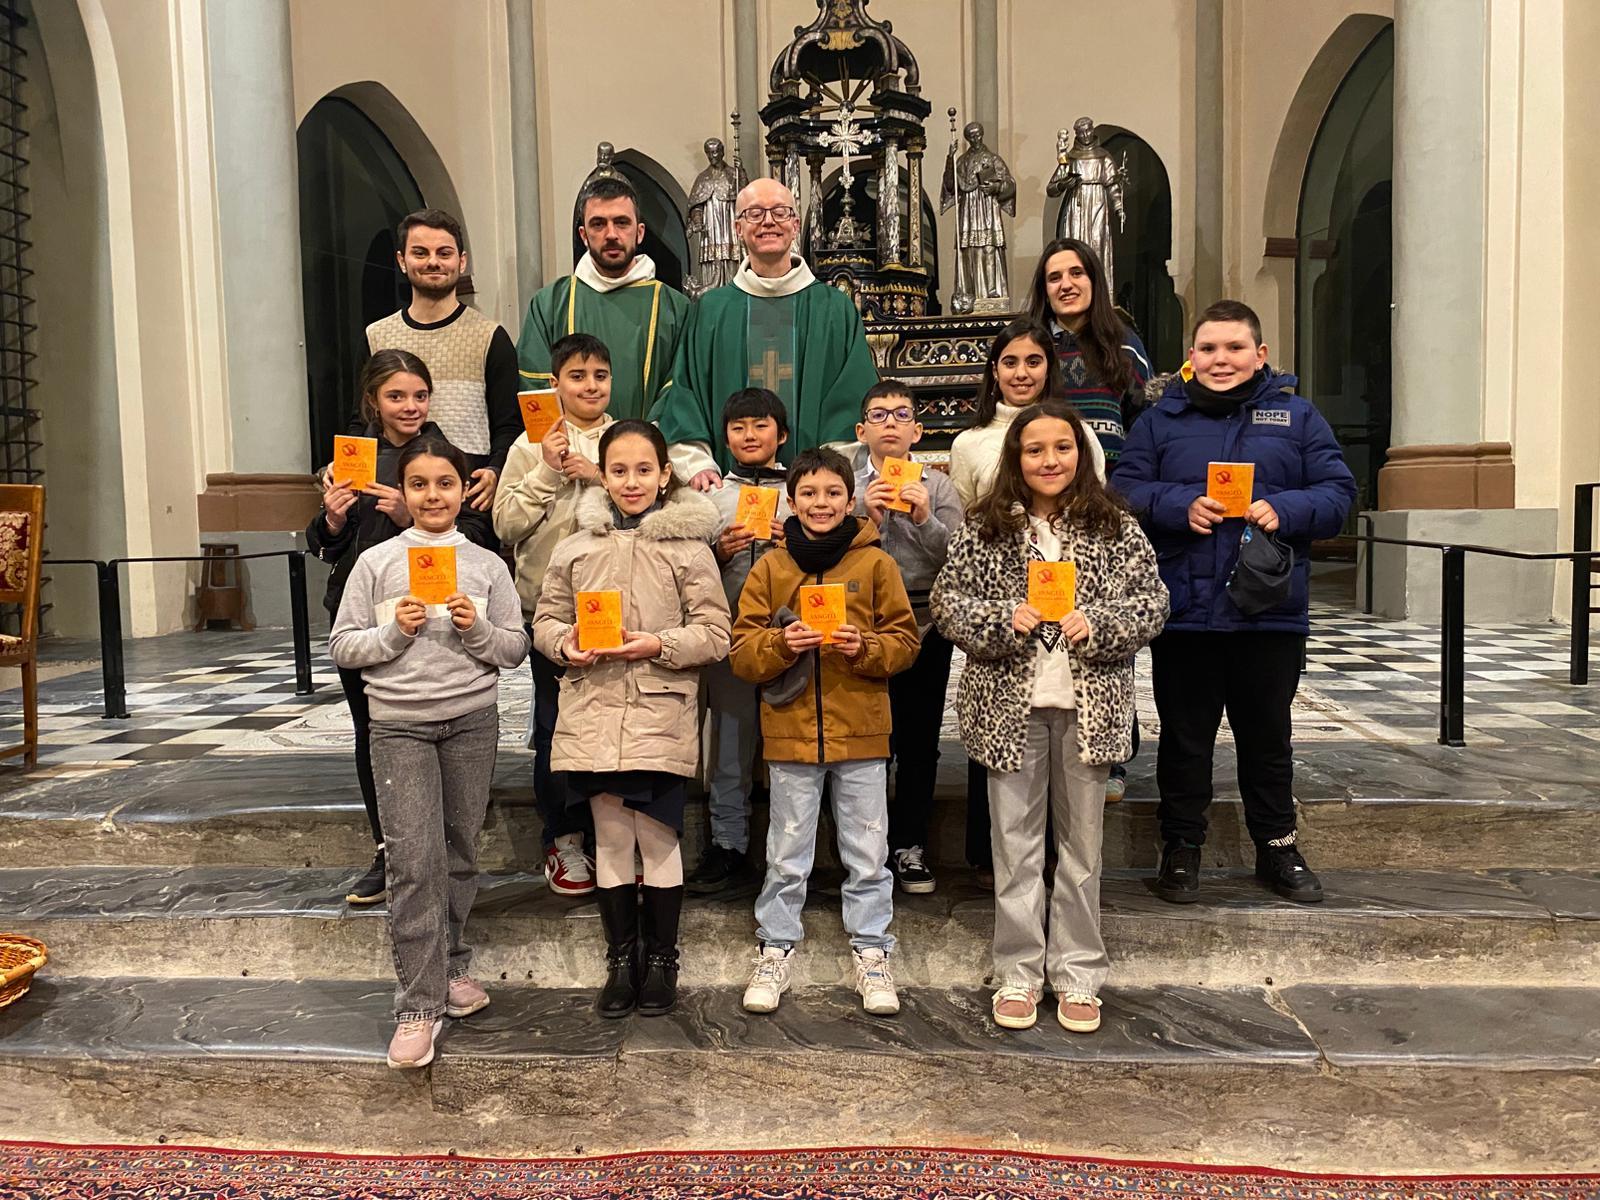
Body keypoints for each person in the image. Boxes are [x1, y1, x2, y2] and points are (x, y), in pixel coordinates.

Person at [932, 399, 1166, 1034]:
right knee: (1014, 848)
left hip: (1089, 709)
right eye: (1034, 449)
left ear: (1080, 454)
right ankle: (1017, 970)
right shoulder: (986, 526)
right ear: (1016, 457)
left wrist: (1104, 622)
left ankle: (1079, 972)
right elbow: (948, 603)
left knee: (1081, 851)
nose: (1049, 460)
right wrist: (998, 618)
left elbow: (1152, 600)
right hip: (1010, 709)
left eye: (1062, 447)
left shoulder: (1114, 525)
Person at [1116, 300, 1356, 907]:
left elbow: (1338, 494)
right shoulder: (1159, 421)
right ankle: (1181, 847)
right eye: (1208, 348)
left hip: (1267, 610)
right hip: (1186, 612)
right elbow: (1123, 489)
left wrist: (1287, 508)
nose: (1220, 359)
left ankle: (1278, 848)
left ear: (1260, 354)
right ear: (1191, 357)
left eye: (1234, 348)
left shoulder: (1297, 417)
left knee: (1267, 739)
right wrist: (1178, 504)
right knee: (1185, 740)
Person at [329, 436, 530, 1069]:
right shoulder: (377, 562)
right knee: (414, 862)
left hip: (471, 722)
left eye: (446, 483)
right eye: (419, 484)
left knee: (460, 850)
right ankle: (417, 1005)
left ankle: (450, 964)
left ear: (464, 489)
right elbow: (342, 646)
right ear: (402, 491)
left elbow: (515, 648)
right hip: (400, 727)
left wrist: (478, 630)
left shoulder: (487, 564)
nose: (433, 495)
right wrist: (393, 632)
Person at [531, 420, 730, 1019]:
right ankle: (621, 960)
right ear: (603, 475)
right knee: (612, 839)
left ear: (665, 475)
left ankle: (663, 960)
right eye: (618, 470)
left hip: (657, 712)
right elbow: (545, 622)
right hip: (593, 713)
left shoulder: (689, 549)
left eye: (644, 469)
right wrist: (566, 643)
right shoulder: (576, 547)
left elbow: (715, 633)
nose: (632, 481)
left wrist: (658, 644)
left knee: (659, 840)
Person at [730, 448, 920, 1017]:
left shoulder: (876, 564)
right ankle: (775, 947)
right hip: (790, 732)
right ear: (791, 501)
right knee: (787, 852)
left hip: (862, 730)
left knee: (868, 851)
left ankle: (872, 951)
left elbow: (906, 642)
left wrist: (866, 647)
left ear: (851, 499)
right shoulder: (771, 567)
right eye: (809, 493)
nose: (821, 503)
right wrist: (779, 644)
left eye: (833, 493)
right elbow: (742, 651)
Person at [307, 351, 486, 907]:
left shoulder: (448, 456)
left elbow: (480, 534)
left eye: (420, 395)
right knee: (372, 732)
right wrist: (334, 517)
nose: (410, 407)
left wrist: (412, 517)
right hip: (366, 612)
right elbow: (324, 546)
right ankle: (388, 848)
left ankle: (446, 852)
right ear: (373, 401)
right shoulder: (349, 461)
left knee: (445, 735)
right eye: (396, 396)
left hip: (437, 618)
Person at [947, 319, 1105, 880]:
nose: (1021, 372)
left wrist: (1097, 617)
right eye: (1010, 361)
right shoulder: (970, 443)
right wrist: (998, 612)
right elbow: (963, 531)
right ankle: (1001, 884)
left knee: (1077, 827)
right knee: (1006, 804)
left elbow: (1095, 522)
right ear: (994, 371)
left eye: (1033, 361)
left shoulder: (1081, 436)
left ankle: (1071, 921)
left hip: (1074, 656)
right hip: (1007, 647)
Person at [1026, 238, 1155, 802]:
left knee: (1105, 632)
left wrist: (1124, 498)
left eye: (1076, 273)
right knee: (1048, 630)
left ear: (1093, 280)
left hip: (1106, 509)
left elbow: (1144, 425)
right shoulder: (1036, 345)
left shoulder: (1122, 342)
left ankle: (1114, 754)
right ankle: (1043, 749)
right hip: (1045, 510)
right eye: (1054, 276)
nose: (1066, 284)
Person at [650, 177, 879, 490]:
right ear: (738, 228)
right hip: (726, 488)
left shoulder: (833, 309)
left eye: (780, 212)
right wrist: (698, 464)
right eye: (755, 213)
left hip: (817, 493)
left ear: (795, 225)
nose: (768, 221)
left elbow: (852, 398)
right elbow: (685, 396)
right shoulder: (711, 310)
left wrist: (828, 474)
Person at [493, 333, 618, 898]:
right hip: (548, 610)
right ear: (555, 383)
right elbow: (506, 525)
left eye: (600, 375)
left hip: (614, 606)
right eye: (577, 376)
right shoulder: (527, 446)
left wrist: (599, 475)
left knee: (611, 724)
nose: (590, 386)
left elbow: (652, 501)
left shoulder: (627, 438)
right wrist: (547, 471)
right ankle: (563, 837)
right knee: (554, 724)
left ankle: (612, 834)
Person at [850, 380, 963, 895]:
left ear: (917, 430)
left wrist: (923, 518)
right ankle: (866, 847)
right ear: (862, 430)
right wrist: (864, 520)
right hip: (863, 628)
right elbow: (830, 548)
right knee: (871, 743)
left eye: (901, 414)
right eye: (878, 414)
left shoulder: (937, 485)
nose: (890, 423)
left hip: (924, 625)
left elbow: (958, 554)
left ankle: (910, 844)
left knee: (919, 742)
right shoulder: (847, 484)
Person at [687, 387, 793, 895]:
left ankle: (791, 849)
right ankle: (728, 844)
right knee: (729, 743)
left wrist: (794, 545)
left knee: (791, 746)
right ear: (725, 438)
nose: (749, 436)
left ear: (782, 434)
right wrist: (719, 553)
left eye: (760, 425)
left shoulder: (802, 492)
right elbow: (686, 571)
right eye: (738, 427)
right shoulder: (708, 499)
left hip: (790, 640)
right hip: (729, 637)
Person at [364, 209, 522, 529]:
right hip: (389, 491)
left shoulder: (490, 336)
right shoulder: (376, 335)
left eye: (444, 253)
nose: (433, 262)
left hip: (468, 496)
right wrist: (343, 471)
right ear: (402, 260)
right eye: (420, 253)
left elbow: (509, 424)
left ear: (461, 262)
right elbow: (361, 419)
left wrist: (496, 470)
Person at [518, 177, 690, 423]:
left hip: (646, 445)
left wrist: (642, 440)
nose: (611, 234)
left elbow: (681, 385)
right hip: (569, 445)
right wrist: (571, 441)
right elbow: (534, 384)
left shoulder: (674, 308)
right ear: (583, 235)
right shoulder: (550, 304)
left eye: (622, 223)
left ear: (640, 232)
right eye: (598, 224)